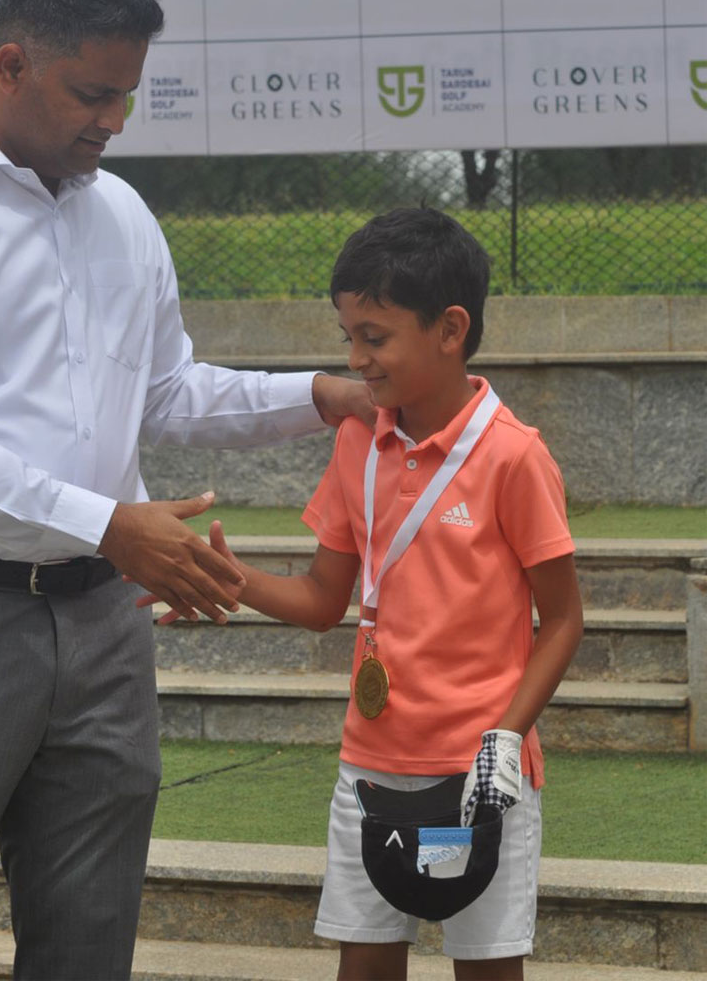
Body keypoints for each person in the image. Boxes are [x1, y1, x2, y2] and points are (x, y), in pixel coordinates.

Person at [0, 0, 373, 981]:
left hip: (105, 625)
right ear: (13, 65)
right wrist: (114, 522)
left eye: (127, 94)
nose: (113, 120)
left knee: (88, 937)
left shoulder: (120, 214)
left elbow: (167, 391)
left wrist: (319, 396)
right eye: (93, 93)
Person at [164, 208, 584, 981]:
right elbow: (326, 599)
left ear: (450, 329)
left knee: (488, 971)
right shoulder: (360, 439)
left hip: (480, 775)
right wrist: (219, 574)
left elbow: (562, 619)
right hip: (369, 769)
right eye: (348, 336)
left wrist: (505, 738)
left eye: (375, 336)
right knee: (363, 968)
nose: (355, 360)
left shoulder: (513, 456)